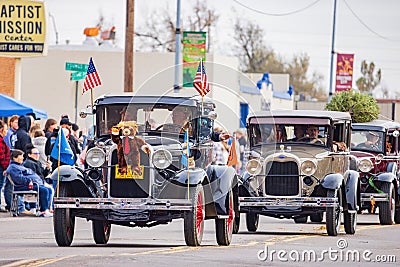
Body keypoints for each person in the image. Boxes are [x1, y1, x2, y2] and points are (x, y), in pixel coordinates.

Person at [6, 149, 53, 217]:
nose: (23, 158)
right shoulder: (13, 167)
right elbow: (19, 179)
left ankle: (44, 209)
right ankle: (43, 211)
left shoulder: (19, 166)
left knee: (48, 189)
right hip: (22, 186)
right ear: (15, 158)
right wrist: (30, 180)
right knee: (44, 190)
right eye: (21, 156)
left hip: (30, 184)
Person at [23, 145, 54, 213]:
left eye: (38, 153)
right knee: (45, 190)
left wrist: (47, 168)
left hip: (39, 182)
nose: (37, 155)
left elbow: (43, 174)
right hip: (33, 183)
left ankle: (46, 208)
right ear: (29, 155)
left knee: (49, 190)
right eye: (35, 154)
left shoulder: (37, 162)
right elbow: (33, 176)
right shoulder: (29, 163)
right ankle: (44, 209)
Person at [0, 120, 10, 212]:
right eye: (6, 129)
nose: (7, 131)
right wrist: (5, 167)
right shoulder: (1, 142)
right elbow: (1, 156)